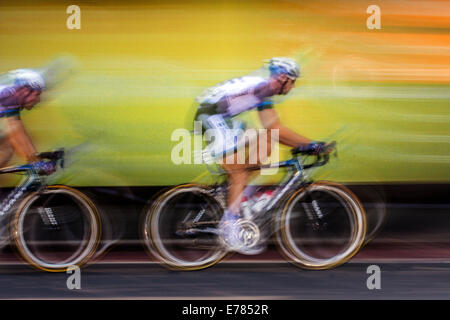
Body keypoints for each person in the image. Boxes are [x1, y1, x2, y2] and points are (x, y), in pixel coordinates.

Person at [193, 57, 330, 248]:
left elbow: (274, 130)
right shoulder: (263, 88)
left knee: (266, 139)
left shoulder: (263, 88)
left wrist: (304, 144)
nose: (292, 87)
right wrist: (311, 145)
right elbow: (276, 128)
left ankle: (241, 195)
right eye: (292, 81)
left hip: (216, 116)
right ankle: (230, 225)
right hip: (212, 117)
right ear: (283, 78)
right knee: (239, 171)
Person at [0, 69, 55, 174]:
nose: (38, 100)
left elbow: (16, 135)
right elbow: (16, 132)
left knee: (7, 146)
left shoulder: (12, 93)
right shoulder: (10, 95)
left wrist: (34, 157)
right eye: (37, 94)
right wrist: (36, 161)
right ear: (26, 91)